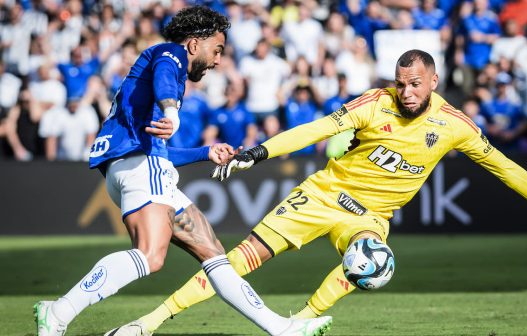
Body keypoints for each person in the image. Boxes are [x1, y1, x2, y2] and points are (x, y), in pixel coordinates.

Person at [111, 49, 527, 335]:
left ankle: (300, 322)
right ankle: (147, 323)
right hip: (322, 194)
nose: (406, 92)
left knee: (373, 263)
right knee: (234, 260)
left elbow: (504, 167)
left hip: (367, 217)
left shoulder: (454, 125)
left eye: (415, 84)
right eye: (400, 83)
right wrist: (258, 152)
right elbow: (316, 129)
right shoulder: (375, 103)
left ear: (433, 81)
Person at [33, 6, 331, 336]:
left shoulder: (165, 72)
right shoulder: (169, 54)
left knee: (212, 250)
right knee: (150, 255)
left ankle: (280, 328)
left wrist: (206, 152)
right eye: (216, 50)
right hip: (140, 167)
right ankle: (59, 311)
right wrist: (171, 111)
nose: (218, 60)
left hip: (144, 165)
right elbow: (163, 77)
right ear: (193, 44)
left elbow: (158, 148)